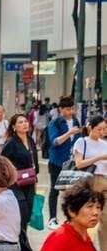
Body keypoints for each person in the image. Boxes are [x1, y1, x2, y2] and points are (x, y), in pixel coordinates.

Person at [70, 115, 107, 250]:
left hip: (103, 180)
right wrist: (99, 157)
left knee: (106, 220)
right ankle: (79, 248)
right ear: (91, 127)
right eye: (99, 129)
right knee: (83, 218)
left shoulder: (105, 144)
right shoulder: (82, 142)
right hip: (88, 181)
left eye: (105, 129)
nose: (102, 132)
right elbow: (78, 163)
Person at [45, 96, 81, 226]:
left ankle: (70, 217)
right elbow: (55, 141)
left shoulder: (76, 121)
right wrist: (69, 133)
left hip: (71, 162)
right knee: (55, 189)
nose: (70, 112)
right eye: (67, 109)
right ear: (60, 109)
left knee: (71, 191)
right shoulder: (55, 123)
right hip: (56, 161)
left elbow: (78, 140)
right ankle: (52, 218)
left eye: (72, 109)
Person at [0, 112, 39, 230]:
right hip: (15, 183)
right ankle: (18, 240)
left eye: (26, 121)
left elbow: (34, 162)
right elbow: (2, 162)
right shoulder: (11, 142)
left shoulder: (31, 140)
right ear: (14, 127)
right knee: (19, 212)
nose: (24, 124)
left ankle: (23, 238)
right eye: (20, 122)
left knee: (27, 213)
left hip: (30, 182)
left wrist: (35, 180)